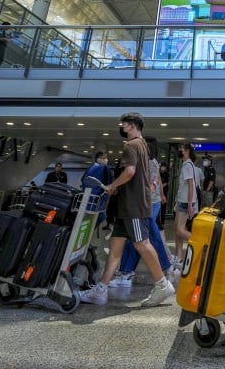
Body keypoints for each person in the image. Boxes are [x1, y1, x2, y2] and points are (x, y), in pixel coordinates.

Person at [78, 113, 175, 307]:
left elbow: (130, 172)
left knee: (142, 244)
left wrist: (112, 185)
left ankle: (162, 285)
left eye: (123, 124)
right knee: (116, 247)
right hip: (127, 206)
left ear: (131, 125)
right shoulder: (144, 146)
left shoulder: (131, 145)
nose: (121, 127)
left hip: (134, 206)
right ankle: (101, 289)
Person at [112, 137, 174, 287]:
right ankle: (129, 271)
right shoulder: (152, 162)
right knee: (143, 238)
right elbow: (156, 182)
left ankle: (127, 273)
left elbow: (148, 184)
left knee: (140, 239)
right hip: (150, 203)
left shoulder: (147, 163)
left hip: (146, 205)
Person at [172, 142, 200, 273]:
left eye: (181, 149)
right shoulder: (186, 164)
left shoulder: (188, 165)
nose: (179, 151)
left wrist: (190, 204)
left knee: (180, 230)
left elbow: (191, 185)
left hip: (185, 202)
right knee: (177, 230)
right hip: (181, 200)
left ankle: (200, 242)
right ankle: (178, 257)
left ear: (187, 151)